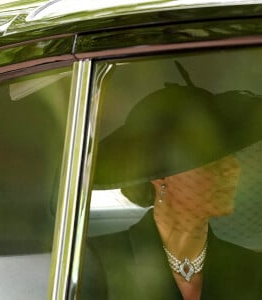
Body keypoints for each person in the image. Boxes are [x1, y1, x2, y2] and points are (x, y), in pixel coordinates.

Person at [81, 62, 262, 299]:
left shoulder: (252, 269)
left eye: (229, 154)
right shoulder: (99, 260)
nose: (232, 168)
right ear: (158, 176)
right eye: (208, 157)